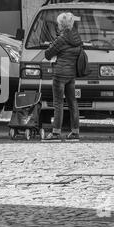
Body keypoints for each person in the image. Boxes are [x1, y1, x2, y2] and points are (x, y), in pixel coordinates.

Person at [43, 12, 82, 141]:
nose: (57, 26)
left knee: (58, 103)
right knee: (72, 102)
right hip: (71, 74)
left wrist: (51, 45)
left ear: (62, 25)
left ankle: (56, 133)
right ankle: (75, 132)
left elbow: (48, 54)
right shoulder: (77, 38)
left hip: (59, 74)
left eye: (58, 24)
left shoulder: (61, 39)